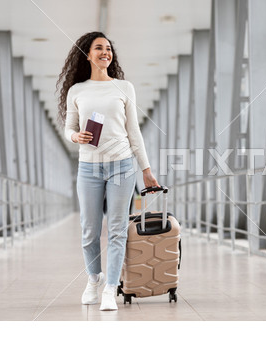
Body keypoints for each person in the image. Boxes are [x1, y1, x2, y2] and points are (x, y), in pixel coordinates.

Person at [57, 31, 159, 311]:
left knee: (116, 230)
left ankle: (110, 288)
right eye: (99, 48)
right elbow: (69, 127)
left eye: (109, 48)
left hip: (122, 165)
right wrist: (74, 137)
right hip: (88, 167)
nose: (106, 52)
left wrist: (146, 170)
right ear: (87, 55)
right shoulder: (77, 90)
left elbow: (133, 131)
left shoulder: (124, 87)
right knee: (89, 230)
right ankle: (94, 278)